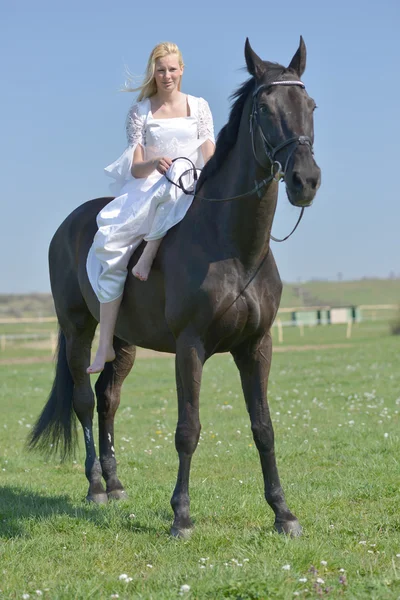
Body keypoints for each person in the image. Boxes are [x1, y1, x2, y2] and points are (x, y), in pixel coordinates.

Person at [86, 42, 215, 374]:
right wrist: (155, 162)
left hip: (191, 183)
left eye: (172, 69)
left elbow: (210, 158)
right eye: (160, 70)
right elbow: (135, 168)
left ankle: (150, 252)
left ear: (182, 70)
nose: (167, 75)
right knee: (110, 250)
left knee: (183, 170)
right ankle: (104, 348)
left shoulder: (199, 107)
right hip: (149, 187)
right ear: (153, 73)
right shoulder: (140, 110)